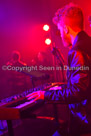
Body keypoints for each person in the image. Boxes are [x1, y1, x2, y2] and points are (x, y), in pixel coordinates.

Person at [27, 3, 91, 136]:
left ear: (66, 29)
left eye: (60, 30)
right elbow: (84, 83)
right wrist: (61, 87)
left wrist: (46, 95)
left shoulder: (77, 51)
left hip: (85, 122)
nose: (60, 34)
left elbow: (78, 92)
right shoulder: (88, 43)